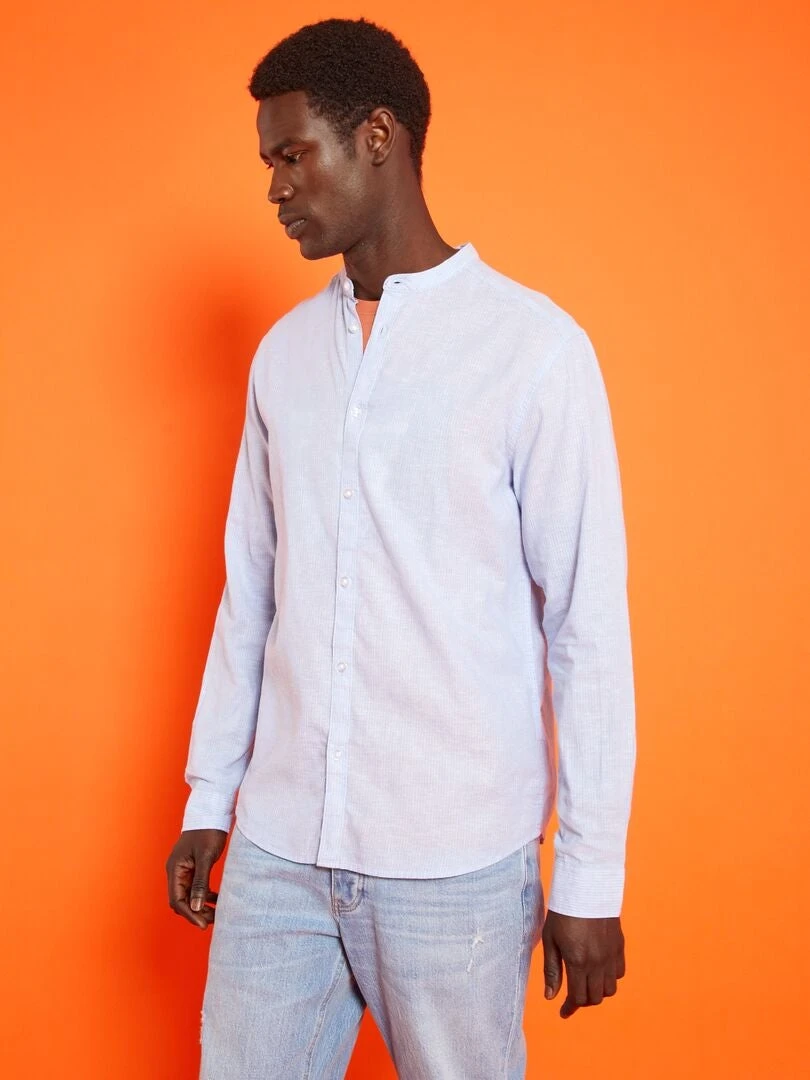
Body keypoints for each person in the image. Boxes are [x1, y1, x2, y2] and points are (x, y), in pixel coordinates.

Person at [165, 16, 636, 1079]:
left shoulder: (534, 352)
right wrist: (208, 797)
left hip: (454, 863)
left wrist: (591, 877)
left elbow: (587, 627)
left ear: (376, 136)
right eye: (269, 163)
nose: (275, 187)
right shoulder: (284, 357)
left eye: (294, 155)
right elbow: (251, 597)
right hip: (281, 849)